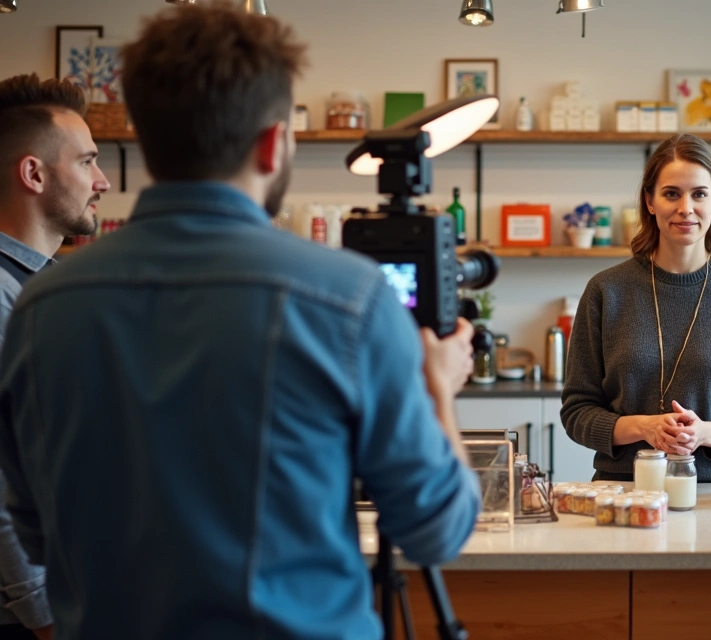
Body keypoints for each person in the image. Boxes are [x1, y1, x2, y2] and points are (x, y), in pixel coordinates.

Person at [0, 6, 480, 640]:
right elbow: (436, 528)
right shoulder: (345, 299)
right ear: (274, 142)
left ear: (145, 135)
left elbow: (34, 529)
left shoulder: (43, 307)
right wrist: (437, 388)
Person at [560, 133, 711, 482]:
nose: (685, 208)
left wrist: (707, 433)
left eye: (699, 194)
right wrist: (644, 427)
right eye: (671, 194)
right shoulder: (606, 291)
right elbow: (576, 413)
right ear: (649, 201)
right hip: (623, 492)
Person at [0, 72, 108, 640]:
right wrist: (46, 617)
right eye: (87, 161)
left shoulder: (46, 288)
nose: (103, 180)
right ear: (34, 173)